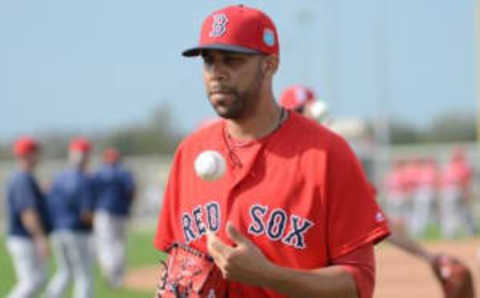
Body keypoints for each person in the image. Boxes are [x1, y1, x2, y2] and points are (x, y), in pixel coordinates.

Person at [154, 5, 390, 298]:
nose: (217, 74)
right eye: (209, 61)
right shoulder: (189, 153)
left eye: (232, 60)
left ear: (270, 65)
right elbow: (176, 267)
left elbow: (358, 285)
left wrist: (268, 275)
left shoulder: (326, 154)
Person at [279, 84, 475, 298]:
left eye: (309, 110)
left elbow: (375, 218)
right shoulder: (272, 161)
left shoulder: (333, 161)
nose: (307, 116)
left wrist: (428, 256)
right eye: (299, 111)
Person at [44, 137, 96, 298]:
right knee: (84, 275)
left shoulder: (57, 178)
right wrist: (96, 228)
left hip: (57, 231)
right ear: (86, 156)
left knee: (65, 272)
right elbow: (86, 212)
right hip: (77, 231)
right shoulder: (84, 179)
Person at [6, 137, 51, 298]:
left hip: (24, 238)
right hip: (24, 238)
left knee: (39, 280)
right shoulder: (22, 179)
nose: (38, 157)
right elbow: (28, 213)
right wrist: (40, 239)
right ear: (29, 155)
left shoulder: (24, 177)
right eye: (36, 153)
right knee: (31, 282)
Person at [94, 148, 136, 288]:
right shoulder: (124, 173)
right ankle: (117, 274)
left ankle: (109, 271)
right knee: (119, 244)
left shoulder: (99, 173)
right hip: (121, 212)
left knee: (106, 243)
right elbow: (131, 191)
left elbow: (92, 193)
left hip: (103, 212)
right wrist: (128, 206)